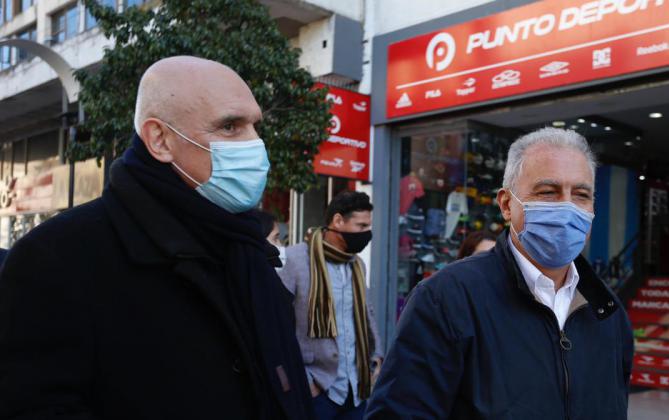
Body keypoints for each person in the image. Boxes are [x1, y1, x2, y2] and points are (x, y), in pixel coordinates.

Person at [0, 56, 313, 419]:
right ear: (160, 139)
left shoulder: (248, 248)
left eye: (255, 126)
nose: (255, 144)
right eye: (229, 126)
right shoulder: (58, 258)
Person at [366, 128, 634, 419]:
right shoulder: (446, 300)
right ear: (507, 205)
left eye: (581, 194)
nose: (567, 207)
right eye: (548, 192)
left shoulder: (608, 313)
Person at [279, 190, 383, 420]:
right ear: (337, 221)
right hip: (317, 391)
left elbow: (367, 314)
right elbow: (277, 324)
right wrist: (301, 380)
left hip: (356, 391)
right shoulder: (296, 260)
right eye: (361, 226)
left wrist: (376, 357)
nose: (367, 233)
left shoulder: (357, 266)